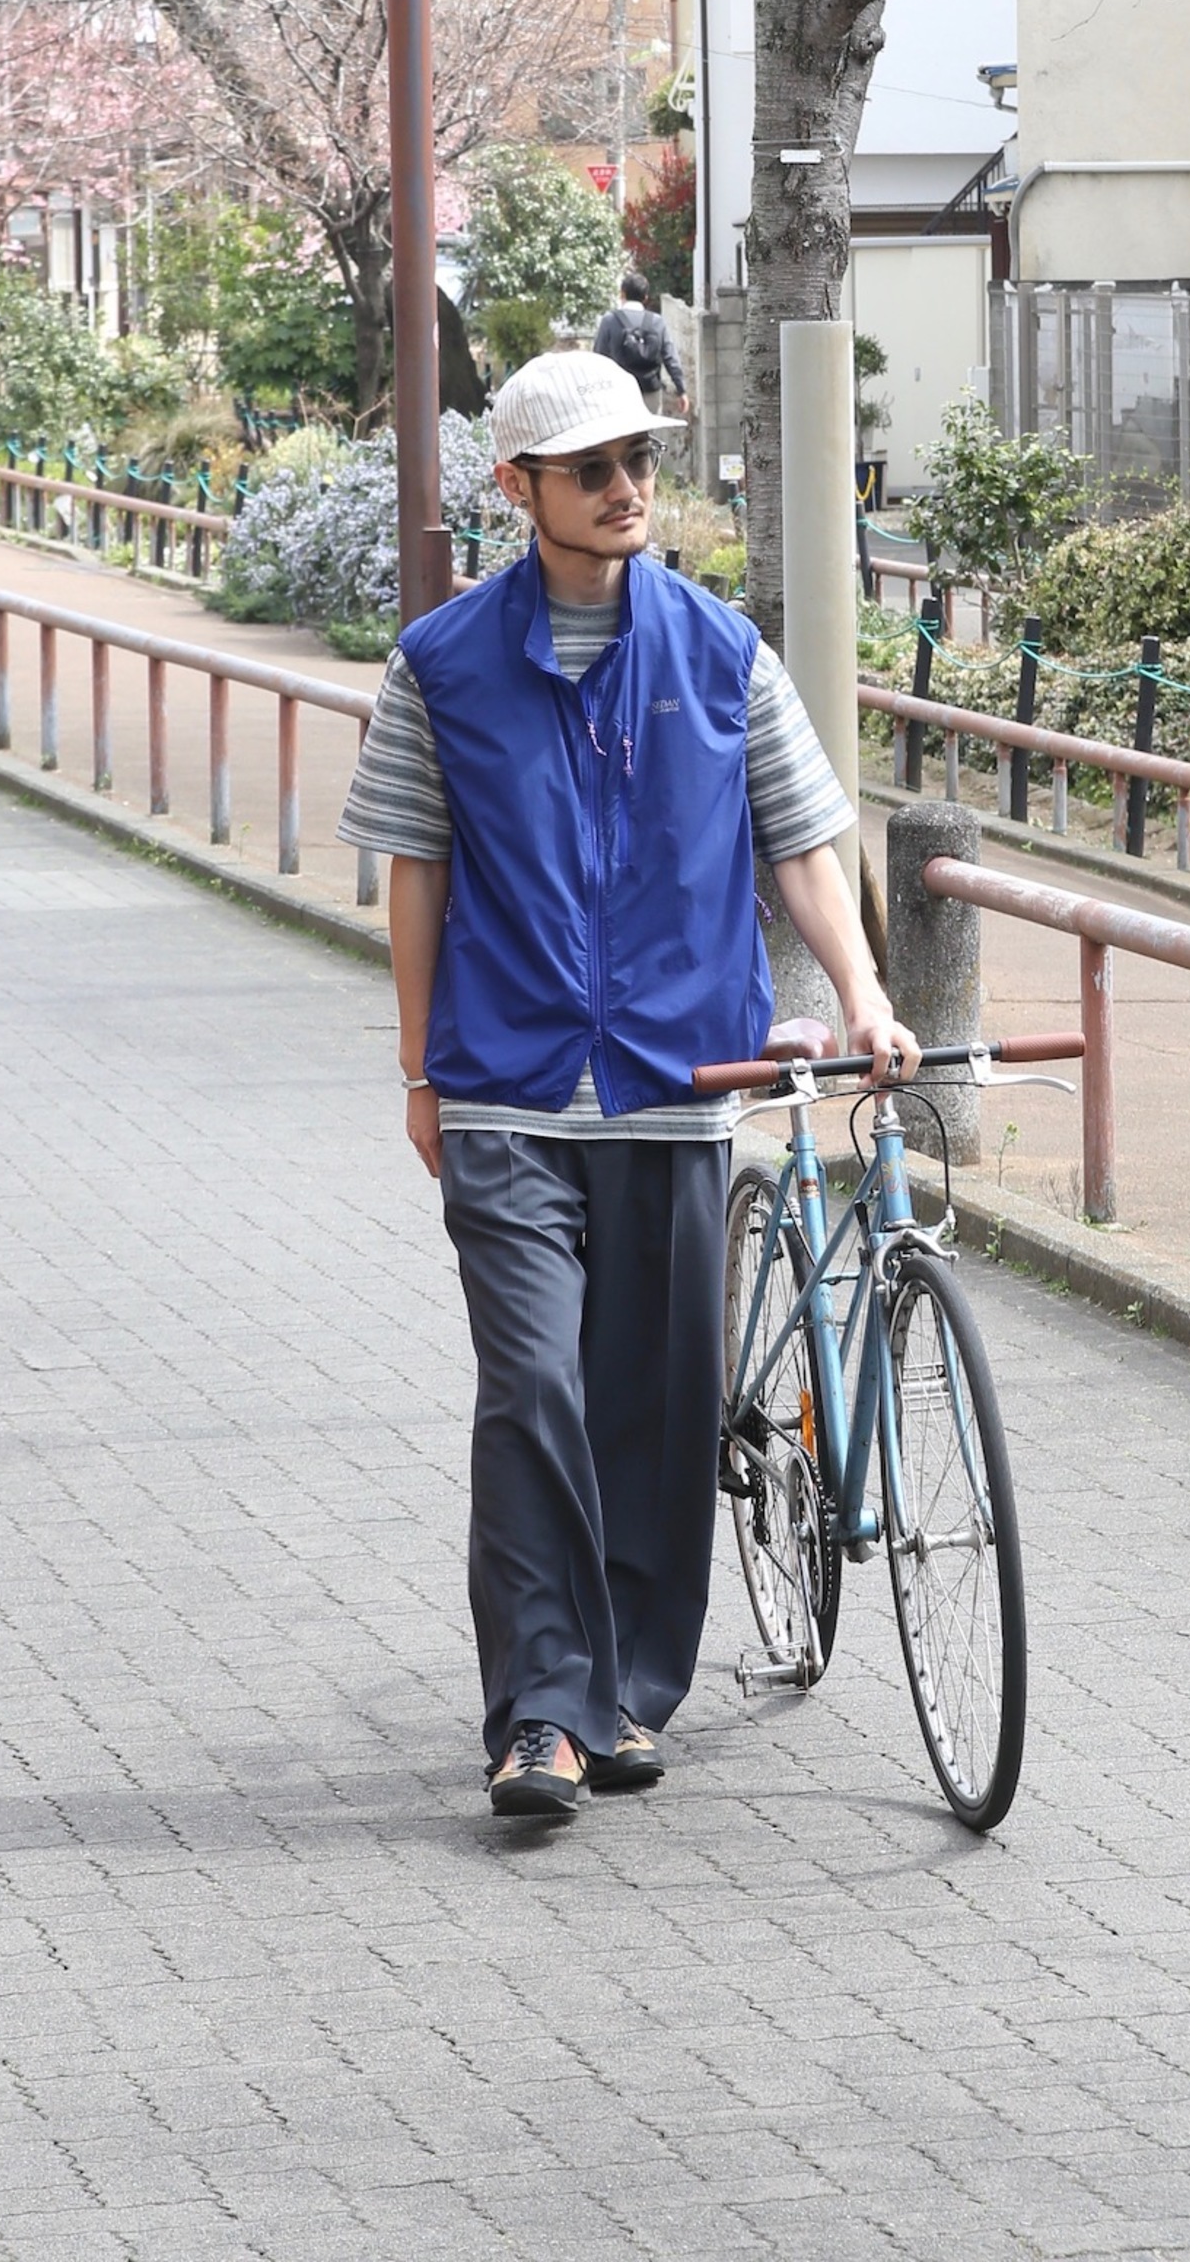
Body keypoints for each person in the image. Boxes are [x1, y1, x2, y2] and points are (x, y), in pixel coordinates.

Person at [337, 348, 916, 1824]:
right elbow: (416, 873)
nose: (625, 489)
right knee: (533, 1388)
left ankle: (628, 1693)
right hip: (506, 1086)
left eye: (639, 462)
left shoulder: (723, 655)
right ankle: (542, 1712)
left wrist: (860, 992)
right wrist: (419, 1066)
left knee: (657, 1408)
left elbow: (804, 843)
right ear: (517, 487)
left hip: (676, 1079)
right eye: (591, 469)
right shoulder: (441, 665)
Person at [593, 272, 689, 415]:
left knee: (624, 429)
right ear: (645, 297)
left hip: (619, 392)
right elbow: (670, 358)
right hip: (651, 390)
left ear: (622, 294)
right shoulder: (657, 322)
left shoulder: (610, 320)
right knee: (650, 428)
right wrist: (682, 390)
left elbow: (599, 358)